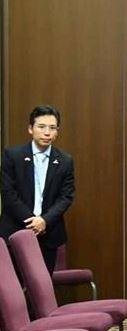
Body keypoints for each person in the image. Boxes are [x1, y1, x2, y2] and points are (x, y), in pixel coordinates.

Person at [0, 105, 74, 273]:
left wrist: (44, 221)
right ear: (30, 129)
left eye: (52, 128)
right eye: (41, 127)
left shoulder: (65, 161)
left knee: (41, 290)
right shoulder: (12, 156)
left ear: (57, 132)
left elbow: (66, 197)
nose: (47, 132)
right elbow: (8, 193)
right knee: (13, 291)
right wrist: (32, 221)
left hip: (48, 234)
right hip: (15, 230)